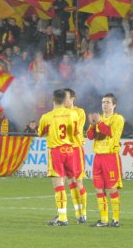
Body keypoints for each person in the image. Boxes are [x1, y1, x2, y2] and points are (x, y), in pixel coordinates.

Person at [38, 89, 81, 226]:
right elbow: (76, 132)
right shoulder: (73, 114)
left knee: (58, 185)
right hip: (70, 150)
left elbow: (41, 133)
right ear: (64, 100)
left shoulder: (47, 117)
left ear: (53, 99)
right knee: (72, 182)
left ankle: (62, 217)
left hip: (56, 151)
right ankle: (80, 213)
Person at [87, 93, 125, 228]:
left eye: (108, 102)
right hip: (98, 158)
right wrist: (92, 125)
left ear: (114, 105)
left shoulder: (118, 118)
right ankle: (103, 220)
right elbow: (91, 137)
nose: (105, 104)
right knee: (98, 189)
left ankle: (115, 219)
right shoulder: (99, 119)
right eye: (103, 102)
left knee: (112, 189)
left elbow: (109, 132)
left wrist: (98, 123)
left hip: (110, 157)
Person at [64, 88, 88, 224]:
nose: (64, 100)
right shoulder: (60, 112)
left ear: (73, 98)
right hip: (64, 150)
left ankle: (83, 213)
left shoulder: (79, 112)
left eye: (66, 97)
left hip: (75, 149)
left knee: (78, 181)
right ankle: (77, 213)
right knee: (70, 182)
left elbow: (75, 130)